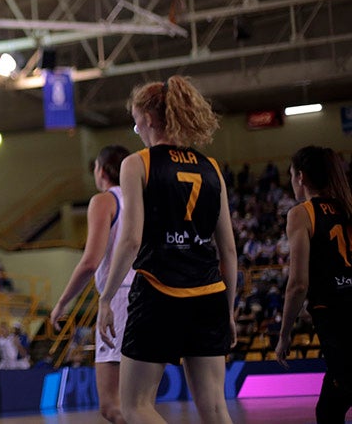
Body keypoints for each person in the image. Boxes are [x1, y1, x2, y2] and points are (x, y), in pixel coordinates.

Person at [98, 76, 237, 424]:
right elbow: (229, 251)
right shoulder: (211, 168)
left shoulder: (138, 163)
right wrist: (229, 311)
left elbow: (130, 241)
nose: (137, 130)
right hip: (209, 294)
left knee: (136, 406)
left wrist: (105, 298)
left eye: (135, 123)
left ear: (147, 118)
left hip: (159, 291)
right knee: (216, 407)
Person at [49, 145, 131, 423]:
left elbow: (90, 262)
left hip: (119, 299)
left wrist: (62, 302)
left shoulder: (105, 201)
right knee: (140, 402)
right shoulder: (143, 199)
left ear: (103, 170)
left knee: (112, 406)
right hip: (152, 295)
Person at [275, 146, 352, 424]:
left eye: (292, 174)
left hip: (336, 318)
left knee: (330, 410)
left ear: (301, 177)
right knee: (329, 409)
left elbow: (297, 284)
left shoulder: (302, 214)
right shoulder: (347, 206)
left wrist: (285, 334)